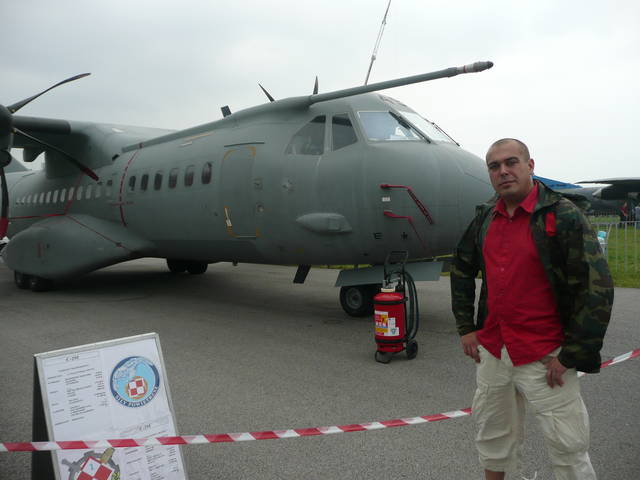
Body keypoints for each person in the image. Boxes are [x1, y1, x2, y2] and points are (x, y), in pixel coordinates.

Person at [450, 138, 614, 480]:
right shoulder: (485, 217)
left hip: (546, 355)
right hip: (494, 351)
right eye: (494, 166)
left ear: (530, 165)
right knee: (493, 439)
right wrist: (466, 327)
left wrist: (573, 355)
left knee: (568, 448)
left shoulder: (562, 215)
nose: (503, 171)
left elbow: (595, 289)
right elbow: (462, 267)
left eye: (511, 162)